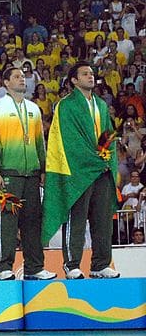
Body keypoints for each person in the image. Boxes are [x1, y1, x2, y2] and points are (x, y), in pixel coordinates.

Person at [42, 62, 120, 279]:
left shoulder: (101, 105)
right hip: (79, 172)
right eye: (85, 74)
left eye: (92, 74)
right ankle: (72, 264)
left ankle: (100, 264)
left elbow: (107, 134)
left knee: (103, 220)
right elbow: (68, 141)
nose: (90, 77)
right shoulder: (65, 106)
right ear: (73, 81)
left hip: (101, 170)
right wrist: (94, 158)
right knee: (76, 219)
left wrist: (107, 154)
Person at [0, 67, 57, 280]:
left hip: (32, 174)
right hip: (8, 174)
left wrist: (42, 169)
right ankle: (2, 266)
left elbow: (39, 143)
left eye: (23, 77)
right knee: (7, 220)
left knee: (32, 221)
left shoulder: (34, 109)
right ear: (5, 82)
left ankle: (35, 267)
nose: (22, 79)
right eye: (16, 76)